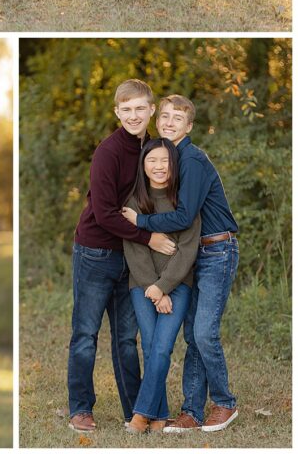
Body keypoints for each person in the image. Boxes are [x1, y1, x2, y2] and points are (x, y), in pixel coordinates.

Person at [121, 94, 239, 433]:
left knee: (202, 332)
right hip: (197, 255)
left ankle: (225, 402)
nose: (170, 123)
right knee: (192, 335)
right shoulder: (171, 160)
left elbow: (186, 216)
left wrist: (140, 224)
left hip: (216, 249)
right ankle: (191, 412)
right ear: (158, 122)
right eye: (166, 117)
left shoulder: (191, 160)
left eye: (178, 118)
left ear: (189, 126)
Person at [66, 79, 178, 435]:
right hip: (96, 252)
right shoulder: (109, 152)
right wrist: (150, 238)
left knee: (126, 338)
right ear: (117, 112)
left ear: (151, 110)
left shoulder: (153, 148)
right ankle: (81, 409)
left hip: (130, 256)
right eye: (126, 110)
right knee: (85, 333)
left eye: (140, 109)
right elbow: (103, 212)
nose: (133, 115)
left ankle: (136, 411)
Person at [122, 138, 199, 433]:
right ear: (143, 165)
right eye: (152, 160)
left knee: (162, 347)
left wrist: (164, 286)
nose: (158, 166)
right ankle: (160, 414)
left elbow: (187, 249)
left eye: (165, 160)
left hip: (178, 284)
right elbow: (134, 248)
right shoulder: (133, 202)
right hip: (141, 285)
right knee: (151, 344)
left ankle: (141, 414)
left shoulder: (184, 202)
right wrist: (152, 288)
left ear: (174, 164)